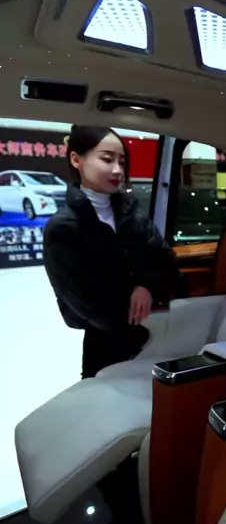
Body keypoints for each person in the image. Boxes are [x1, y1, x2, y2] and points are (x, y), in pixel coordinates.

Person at [43, 125, 179, 378]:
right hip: (105, 344)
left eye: (122, 162)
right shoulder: (63, 228)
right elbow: (88, 302)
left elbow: (165, 259)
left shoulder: (131, 212)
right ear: (77, 160)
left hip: (154, 335)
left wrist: (146, 286)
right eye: (107, 159)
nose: (117, 170)